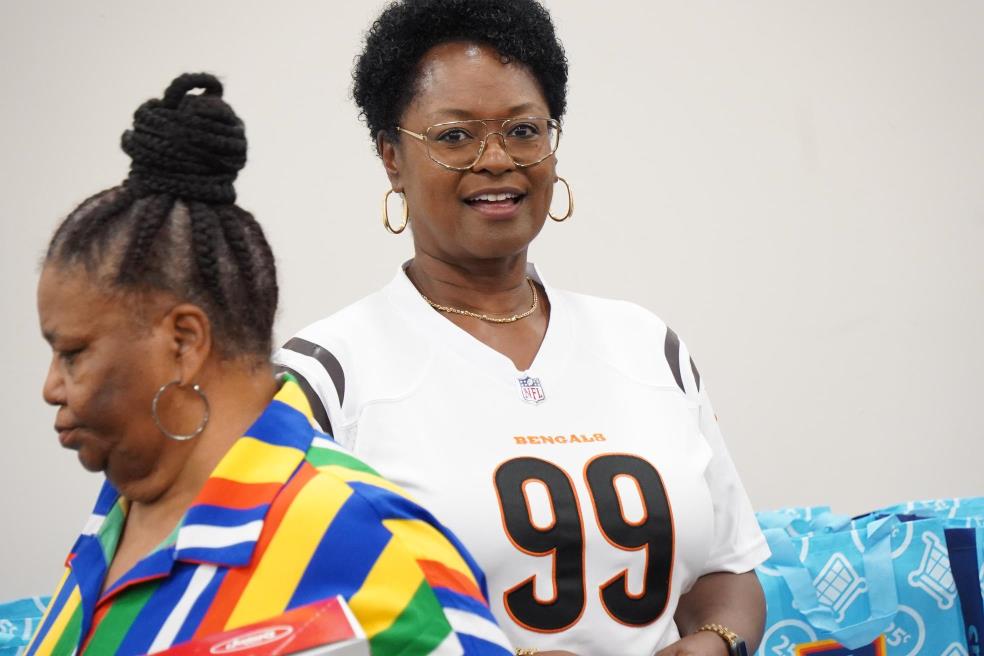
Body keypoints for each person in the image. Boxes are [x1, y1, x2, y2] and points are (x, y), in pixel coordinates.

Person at [274, 1, 770, 655]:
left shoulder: (648, 346)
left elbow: (727, 567)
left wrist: (717, 641)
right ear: (392, 157)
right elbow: (285, 617)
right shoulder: (323, 376)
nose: (497, 159)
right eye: (455, 136)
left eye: (524, 130)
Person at [27, 73, 513, 656]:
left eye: (73, 353)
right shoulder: (118, 510)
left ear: (183, 342)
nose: (50, 387)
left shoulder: (379, 552)